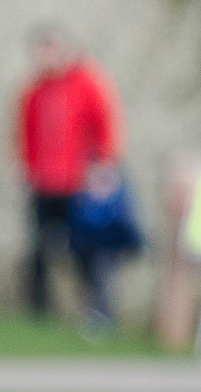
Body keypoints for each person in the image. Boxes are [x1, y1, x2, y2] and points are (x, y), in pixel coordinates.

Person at [15, 25, 125, 332]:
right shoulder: (35, 90)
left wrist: (104, 166)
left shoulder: (86, 82)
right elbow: (27, 134)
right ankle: (38, 313)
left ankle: (97, 311)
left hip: (79, 183)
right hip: (44, 183)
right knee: (38, 250)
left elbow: (105, 125)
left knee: (87, 252)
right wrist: (27, 168)